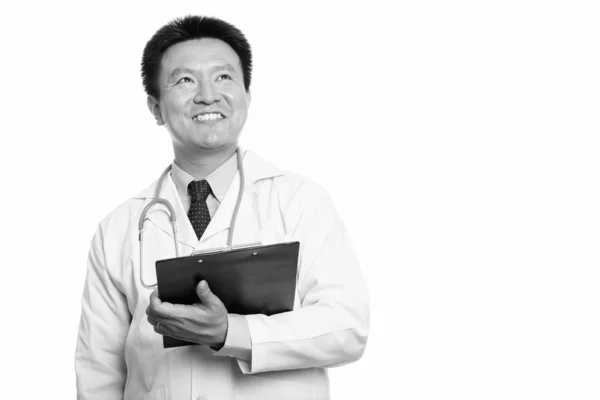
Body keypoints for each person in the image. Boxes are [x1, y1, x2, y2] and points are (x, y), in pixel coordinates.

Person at [75, 15, 369, 400]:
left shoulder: (300, 202)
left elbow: (347, 328)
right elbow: (99, 373)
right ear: (156, 108)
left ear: (247, 95)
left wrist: (231, 332)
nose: (208, 95)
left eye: (224, 77)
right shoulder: (119, 227)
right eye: (184, 80)